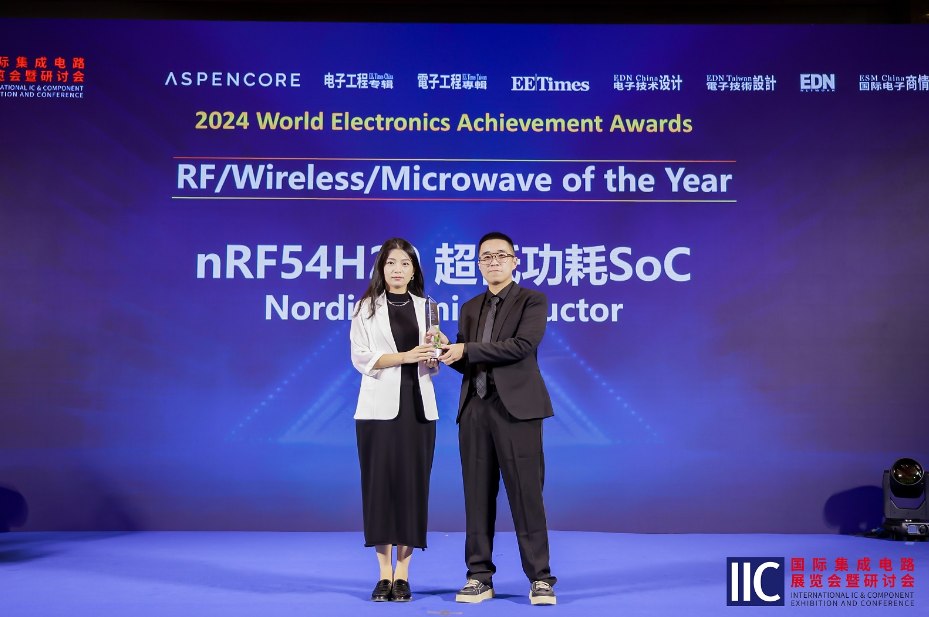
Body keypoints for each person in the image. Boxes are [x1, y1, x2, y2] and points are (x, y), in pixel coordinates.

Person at [438, 231, 557, 606]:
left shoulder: (532, 300)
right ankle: (478, 576)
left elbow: (521, 347)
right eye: (486, 257)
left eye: (500, 255)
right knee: (476, 496)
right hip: (475, 408)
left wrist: (466, 349)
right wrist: (446, 352)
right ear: (478, 264)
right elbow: (469, 361)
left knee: (526, 494)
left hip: (517, 409)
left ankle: (540, 578)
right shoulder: (470, 307)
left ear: (515, 261)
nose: (493, 262)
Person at [350, 238, 440, 602]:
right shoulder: (365, 307)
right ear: (381, 268)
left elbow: (432, 360)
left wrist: (433, 357)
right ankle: (383, 573)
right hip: (377, 411)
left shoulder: (428, 307)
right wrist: (405, 356)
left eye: (405, 263)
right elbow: (361, 357)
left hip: (418, 409)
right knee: (379, 489)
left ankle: (403, 574)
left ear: (414, 270)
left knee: (412, 488)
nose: (398, 269)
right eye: (391, 263)